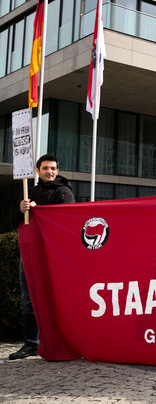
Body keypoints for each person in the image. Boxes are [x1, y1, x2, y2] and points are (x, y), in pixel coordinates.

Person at [10, 154, 75, 360]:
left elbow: (67, 220)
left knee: (57, 298)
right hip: (30, 254)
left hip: (53, 255)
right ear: (37, 170)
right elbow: (15, 222)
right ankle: (31, 344)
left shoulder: (63, 192)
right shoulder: (30, 192)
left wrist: (43, 212)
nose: (50, 171)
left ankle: (61, 342)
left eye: (53, 168)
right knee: (29, 299)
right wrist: (21, 210)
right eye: (46, 168)